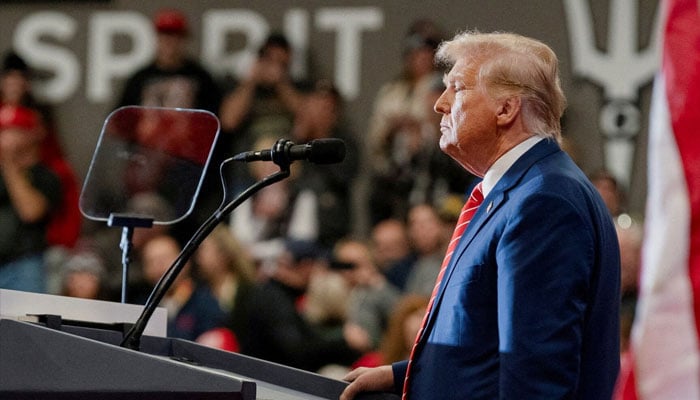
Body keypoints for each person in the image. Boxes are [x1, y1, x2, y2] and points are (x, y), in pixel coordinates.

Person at [341, 31, 620, 400]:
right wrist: (403, 376)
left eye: (456, 88)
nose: (439, 104)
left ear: (506, 109)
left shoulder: (543, 202)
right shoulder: (518, 191)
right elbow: (493, 345)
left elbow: (537, 379)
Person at [0, 105, 62, 293]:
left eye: (13, 131)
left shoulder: (46, 176)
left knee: (26, 321)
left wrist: (9, 164)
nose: (5, 138)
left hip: (24, 264)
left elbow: (31, 212)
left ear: (30, 135)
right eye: (2, 131)